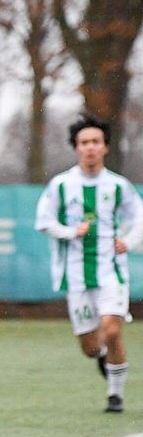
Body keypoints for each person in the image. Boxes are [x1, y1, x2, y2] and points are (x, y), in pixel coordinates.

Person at [35, 115, 143, 413]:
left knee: (111, 329)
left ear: (105, 147)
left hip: (112, 272)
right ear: (76, 148)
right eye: (84, 142)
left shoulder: (118, 186)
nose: (90, 147)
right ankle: (103, 357)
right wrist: (71, 231)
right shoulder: (61, 185)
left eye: (96, 142)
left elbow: (139, 219)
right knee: (90, 346)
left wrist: (129, 242)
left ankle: (115, 395)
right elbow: (43, 221)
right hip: (76, 276)